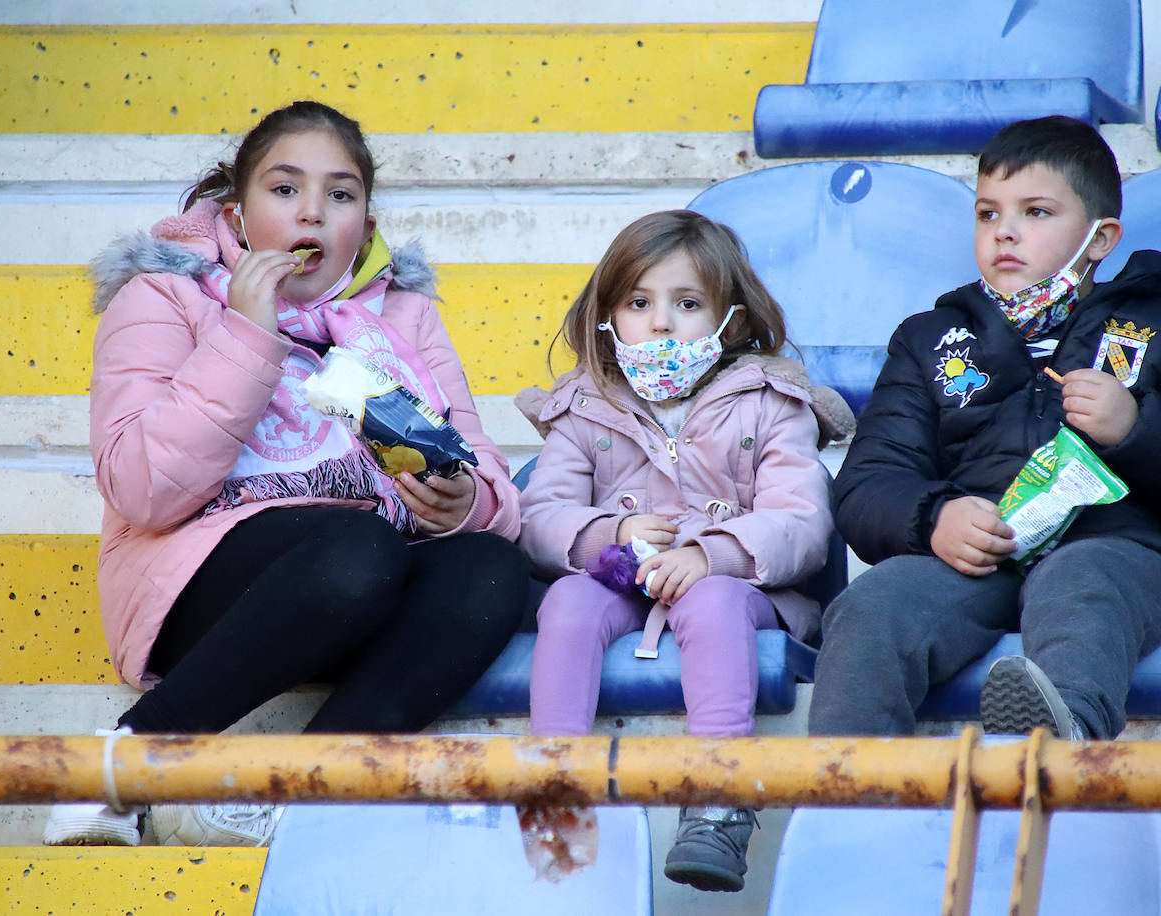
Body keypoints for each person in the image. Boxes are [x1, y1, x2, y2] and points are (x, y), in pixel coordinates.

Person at [43, 100, 528, 848]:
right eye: (284, 189)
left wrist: (462, 502)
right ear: (236, 219)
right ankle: (121, 764)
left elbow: (482, 472)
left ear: (363, 229)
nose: (312, 213)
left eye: (340, 195)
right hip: (210, 588)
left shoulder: (401, 317)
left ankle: (307, 799)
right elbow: (143, 489)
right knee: (355, 548)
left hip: (365, 586)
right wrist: (245, 331)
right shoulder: (163, 297)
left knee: (492, 568)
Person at [808, 115, 1161, 743]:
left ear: (1099, 236)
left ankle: (1065, 748)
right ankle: (845, 807)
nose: (1005, 230)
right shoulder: (929, 339)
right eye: (987, 214)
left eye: (1035, 212)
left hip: (1127, 562)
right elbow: (866, 484)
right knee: (872, 607)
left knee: (1078, 579)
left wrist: (1138, 429)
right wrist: (934, 518)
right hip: (976, 567)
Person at [515, 210, 853, 892]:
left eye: (687, 303)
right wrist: (609, 535)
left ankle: (720, 797)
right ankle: (556, 784)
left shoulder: (770, 398)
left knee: (714, 600)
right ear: (609, 316)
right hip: (621, 579)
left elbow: (802, 520)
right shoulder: (585, 404)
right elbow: (540, 516)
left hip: (749, 587)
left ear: (730, 319)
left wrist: (712, 554)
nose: (660, 323)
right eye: (639, 303)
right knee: (569, 599)